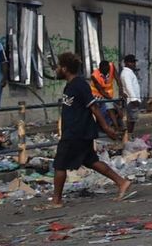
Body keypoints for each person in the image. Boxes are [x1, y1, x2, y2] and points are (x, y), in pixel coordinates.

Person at [36, 52, 131, 210]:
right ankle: (122, 182)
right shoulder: (71, 85)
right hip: (77, 131)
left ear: (65, 69)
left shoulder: (79, 85)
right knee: (91, 161)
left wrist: (107, 128)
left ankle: (56, 200)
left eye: (59, 67)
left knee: (60, 165)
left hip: (76, 132)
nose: (57, 69)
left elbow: (93, 107)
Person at [90, 60, 126, 132]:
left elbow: (118, 80)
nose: (107, 73)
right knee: (109, 108)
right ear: (100, 69)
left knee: (116, 110)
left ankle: (116, 125)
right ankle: (116, 127)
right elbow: (101, 91)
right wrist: (112, 102)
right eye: (105, 71)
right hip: (97, 95)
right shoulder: (94, 75)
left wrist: (121, 91)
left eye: (108, 70)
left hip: (108, 95)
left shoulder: (111, 66)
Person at [120, 55, 140, 141]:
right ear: (127, 63)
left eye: (134, 62)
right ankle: (129, 136)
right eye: (132, 62)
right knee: (131, 119)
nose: (134, 64)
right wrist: (134, 99)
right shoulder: (126, 73)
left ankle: (129, 135)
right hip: (131, 100)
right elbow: (129, 87)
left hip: (133, 98)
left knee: (133, 119)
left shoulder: (129, 72)